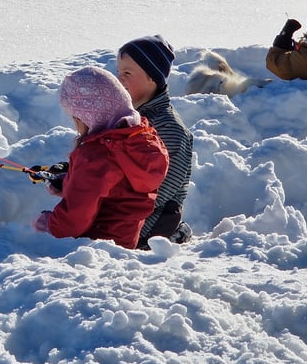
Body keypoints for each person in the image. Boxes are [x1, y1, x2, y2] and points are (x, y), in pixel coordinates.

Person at [32, 66, 169, 250]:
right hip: (123, 246)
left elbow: (75, 217)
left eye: (76, 118)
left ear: (88, 116)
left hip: (92, 247)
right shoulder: (141, 143)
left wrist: (49, 223)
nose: (76, 124)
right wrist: (69, 183)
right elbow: (115, 188)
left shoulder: (95, 155)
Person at [117, 35, 195, 247]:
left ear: (152, 77)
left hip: (151, 223)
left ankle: (175, 235)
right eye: (118, 73)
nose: (119, 80)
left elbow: (161, 191)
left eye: (127, 73)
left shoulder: (169, 129)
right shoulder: (127, 119)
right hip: (122, 214)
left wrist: (113, 207)